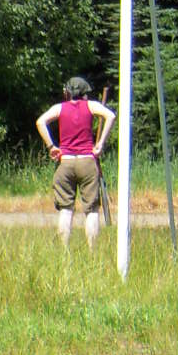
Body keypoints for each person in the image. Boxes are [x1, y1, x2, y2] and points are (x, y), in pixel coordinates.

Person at [35, 75, 114, 246]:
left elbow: (40, 122)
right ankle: (92, 251)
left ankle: (65, 251)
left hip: (66, 162)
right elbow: (110, 116)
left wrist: (51, 146)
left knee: (65, 209)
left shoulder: (59, 108)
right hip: (87, 162)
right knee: (92, 210)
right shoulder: (91, 105)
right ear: (84, 92)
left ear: (68, 92)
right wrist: (100, 144)